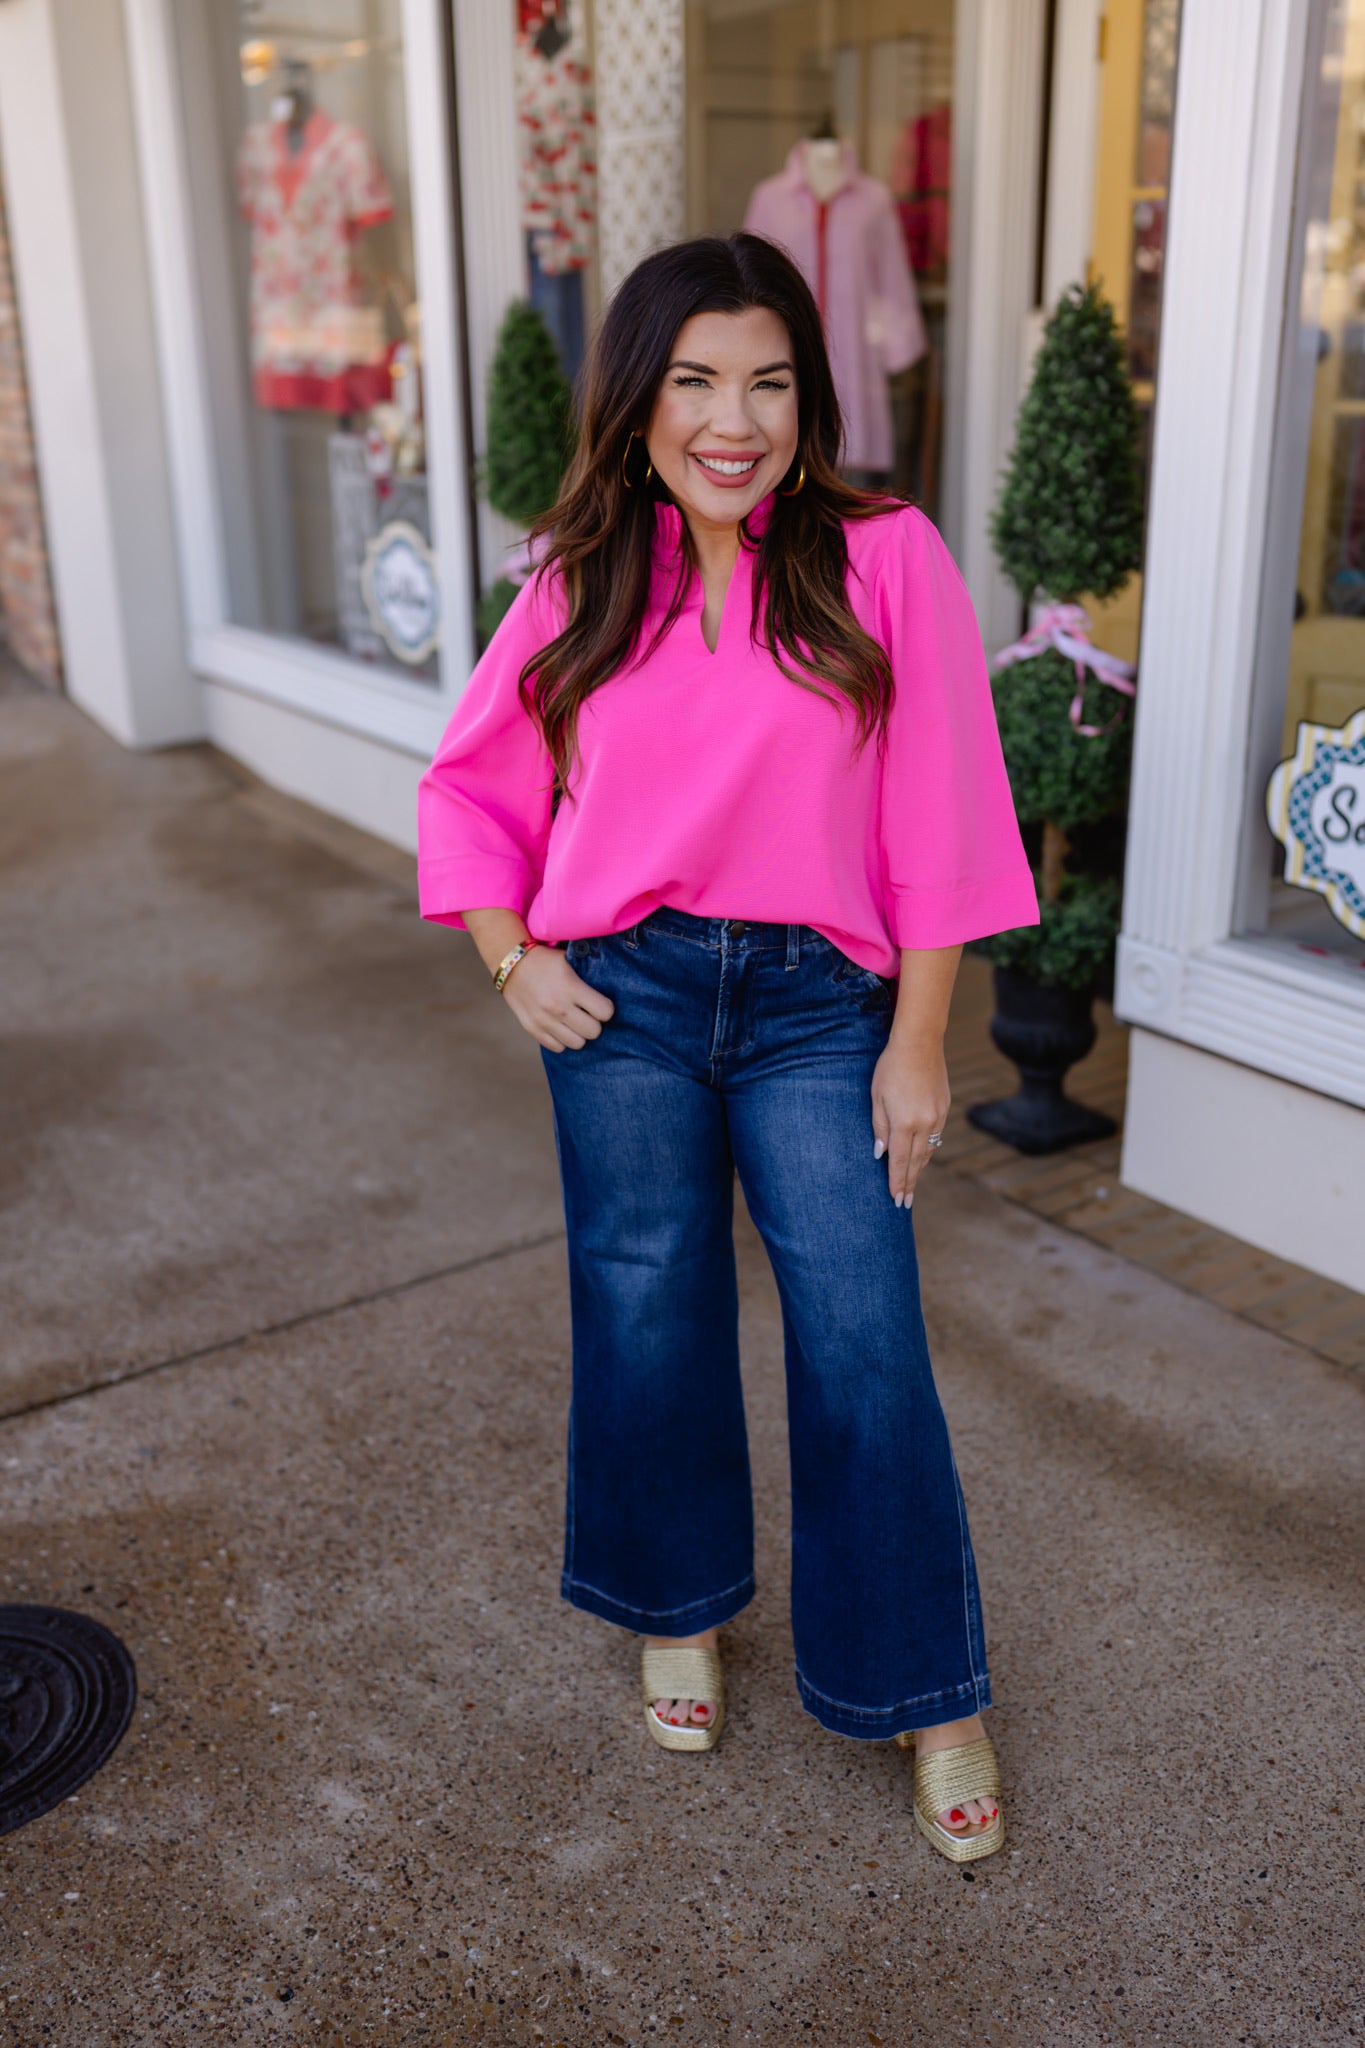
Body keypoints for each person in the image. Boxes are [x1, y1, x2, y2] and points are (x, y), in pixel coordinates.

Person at [417, 234, 1037, 1864]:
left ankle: (927, 1693)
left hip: (820, 1009)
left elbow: (942, 808)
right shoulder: (577, 575)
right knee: (643, 1306)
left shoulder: (882, 556)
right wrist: (511, 960)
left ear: (806, 397)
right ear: (638, 404)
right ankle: (676, 1606)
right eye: (694, 381)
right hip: (622, 1002)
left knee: (863, 1335)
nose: (733, 420)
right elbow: (474, 788)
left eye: (767, 382)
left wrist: (921, 1043)